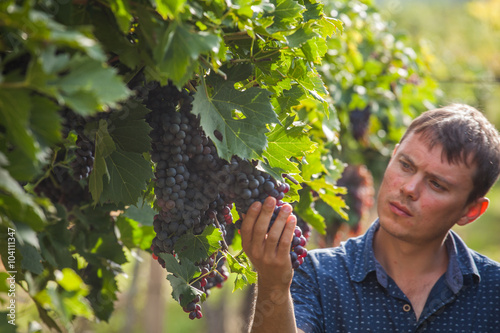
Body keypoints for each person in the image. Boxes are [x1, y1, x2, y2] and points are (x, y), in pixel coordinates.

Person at [241, 104, 500, 332]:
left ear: (470, 211)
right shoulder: (316, 275)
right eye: (406, 165)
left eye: (436, 184)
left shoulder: (494, 293)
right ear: (393, 156)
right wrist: (273, 284)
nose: (409, 189)